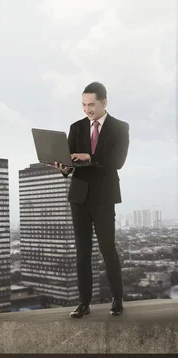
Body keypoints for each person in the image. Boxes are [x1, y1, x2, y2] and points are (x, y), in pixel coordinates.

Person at [53, 81, 130, 318]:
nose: (87, 110)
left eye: (91, 105)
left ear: (104, 102)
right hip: (79, 195)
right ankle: (83, 303)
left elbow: (117, 161)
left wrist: (91, 156)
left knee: (107, 249)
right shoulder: (76, 127)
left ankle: (117, 300)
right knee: (82, 252)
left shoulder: (119, 127)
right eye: (84, 105)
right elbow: (70, 161)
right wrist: (63, 167)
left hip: (104, 196)